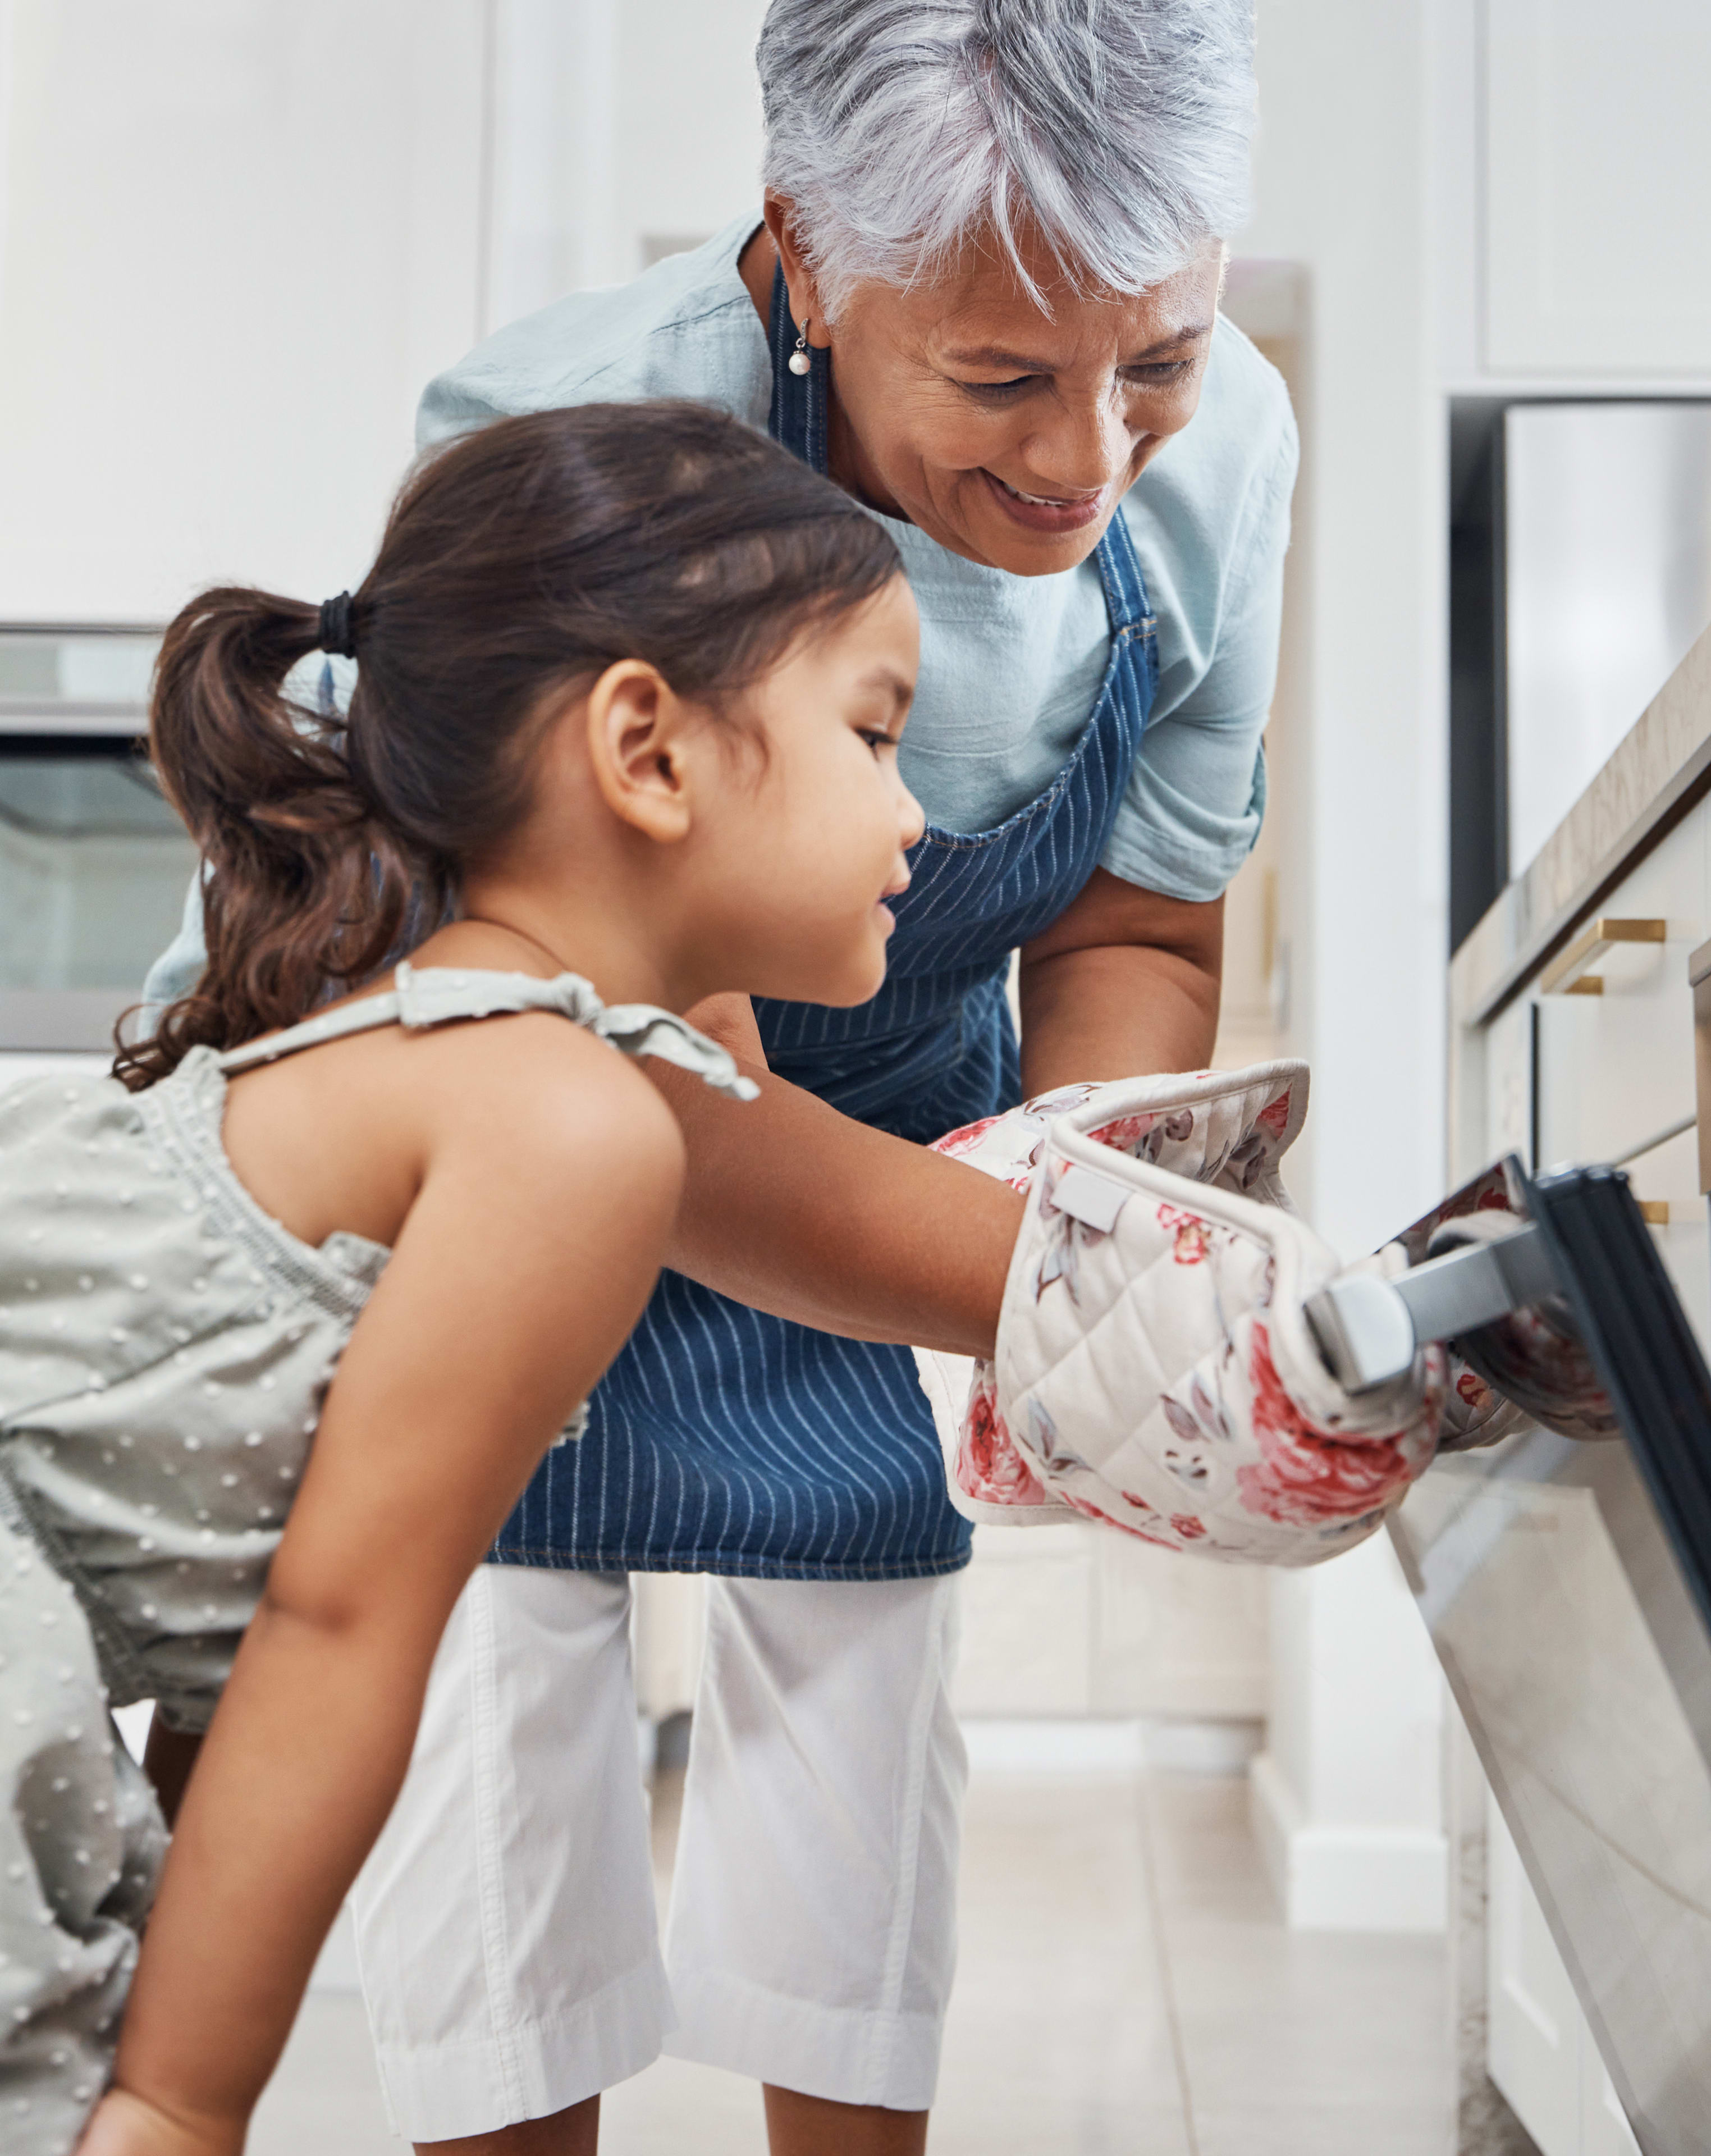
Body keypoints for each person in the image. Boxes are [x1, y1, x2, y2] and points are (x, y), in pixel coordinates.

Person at [142, 2, 1291, 2149]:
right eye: (1003, 376)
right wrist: (1106, 1295)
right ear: (808, 257)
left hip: (901, 1131)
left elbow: (1134, 920)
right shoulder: (583, 428)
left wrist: (1075, 1195)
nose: (1091, 459)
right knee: (493, 1699)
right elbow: (637, 1085)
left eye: (1161, 356)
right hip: (533, 1073)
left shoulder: (1220, 465)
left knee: (858, 1746)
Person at [0, 396, 921, 2156]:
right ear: (647, 750)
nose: (917, 814)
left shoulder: (457, 1044)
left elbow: (242, 1620)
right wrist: (182, 2110)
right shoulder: (571, 1127)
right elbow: (335, 1632)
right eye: (876, 736)